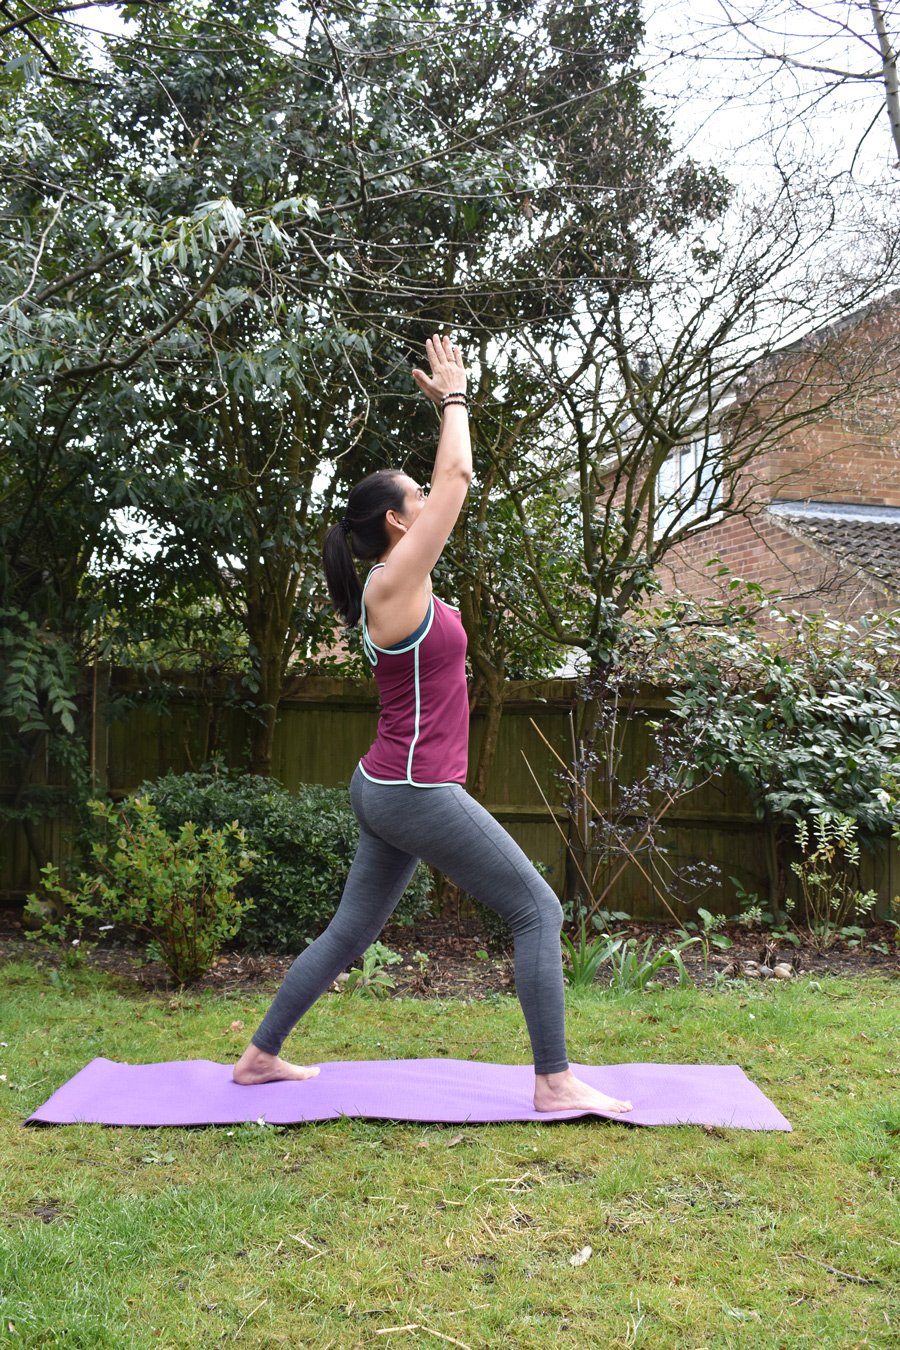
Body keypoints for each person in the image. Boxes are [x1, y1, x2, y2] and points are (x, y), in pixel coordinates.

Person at [233, 334, 632, 1115]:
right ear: (395, 520)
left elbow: (446, 483)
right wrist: (454, 397)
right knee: (537, 909)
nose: (432, 501)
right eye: (416, 498)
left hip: (389, 783)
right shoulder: (393, 585)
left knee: (350, 934)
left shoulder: (404, 585)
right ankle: (554, 1081)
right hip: (412, 788)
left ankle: (257, 1058)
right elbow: (458, 473)